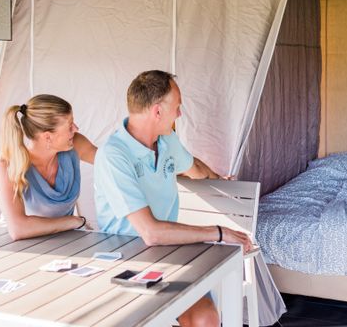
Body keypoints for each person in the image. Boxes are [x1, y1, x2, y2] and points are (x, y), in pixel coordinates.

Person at [94, 70, 252, 327]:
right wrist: (219, 232)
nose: (179, 114)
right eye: (177, 107)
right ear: (157, 111)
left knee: (205, 318)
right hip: (125, 263)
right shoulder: (113, 155)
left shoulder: (166, 140)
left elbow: (194, 168)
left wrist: (218, 181)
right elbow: (151, 233)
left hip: (169, 254)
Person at [0, 94, 97, 240]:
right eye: (70, 126)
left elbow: (111, 163)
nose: (76, 128)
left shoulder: (75, 144)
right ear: (47, 137)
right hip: (19, 245)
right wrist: (74, 221)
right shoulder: (7, 164)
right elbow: (18, 229)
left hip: (65, 238)